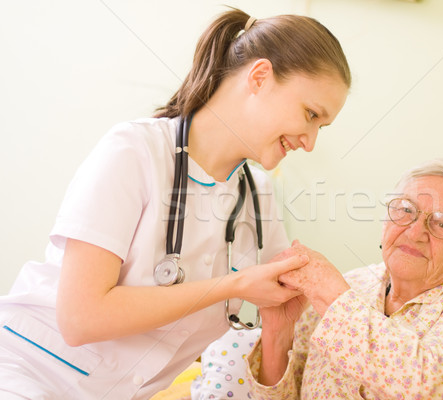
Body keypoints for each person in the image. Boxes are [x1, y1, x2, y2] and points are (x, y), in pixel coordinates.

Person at [0, 8, 350, 399]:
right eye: (310, 114)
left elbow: (273, 351)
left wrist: (279, 329)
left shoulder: (258, 196)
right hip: (28, 373)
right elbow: (80, 319)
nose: (310, 141)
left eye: (322, 126)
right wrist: (231, 285)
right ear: (260, 77)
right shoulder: (135, 150)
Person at [247, 158, 443, 399]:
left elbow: (433, 387)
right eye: (405, 210)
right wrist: (277, 334)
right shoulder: (351, 285)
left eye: (441, 223)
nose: (414, 232)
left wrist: (329, 292)